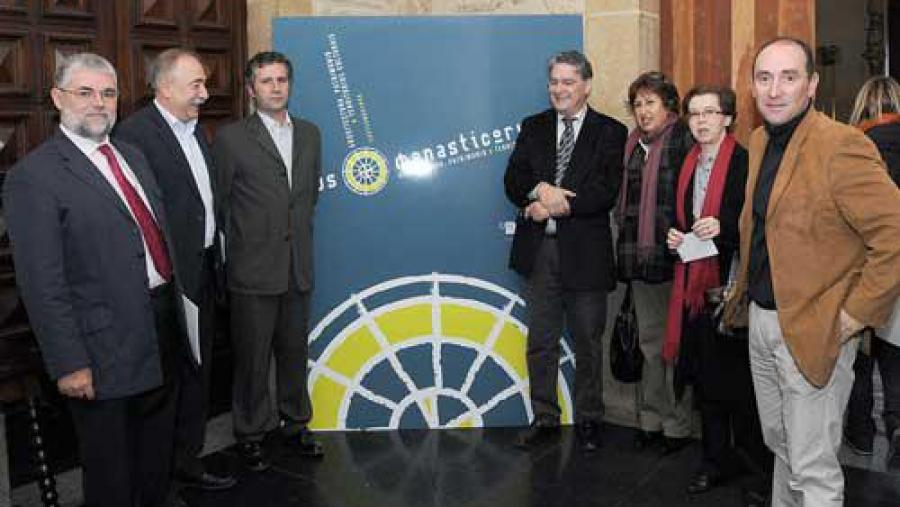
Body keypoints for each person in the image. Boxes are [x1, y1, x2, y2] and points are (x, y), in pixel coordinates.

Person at [724, 37, 900, 507]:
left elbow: (895, 234)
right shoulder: (761, 140)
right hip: (762, 320)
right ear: (752, 87)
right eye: (764, 78)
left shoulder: (843, 145)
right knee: (782, 447)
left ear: (812, 85)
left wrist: (855, 314)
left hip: (817, 325)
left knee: (812, 465)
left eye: (788, 77)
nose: (775, 89)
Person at [4, 53, 185, 507]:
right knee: (111, 474)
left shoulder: (133, 156)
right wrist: (69, 362)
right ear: (57, 98)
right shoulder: (35, 176)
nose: (98, 103)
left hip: (160, 330)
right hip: (100, 351)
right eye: (84, 92)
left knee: (155, 458)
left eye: (107, 93)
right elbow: (42, 282)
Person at [114, 48, 235, 491]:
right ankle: (157, 475)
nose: (205, 93)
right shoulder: (135, 135)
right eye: (196, 85)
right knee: (166, 383)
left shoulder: (196, 132)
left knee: (197, 372)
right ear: (164, 88)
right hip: (166, 281)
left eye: (203, 83)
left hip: (203, 271)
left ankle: (188, 460)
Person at [504, 50, 626, 453]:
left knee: (589, 340)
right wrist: (540, 190)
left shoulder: (611, 131)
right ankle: (544, 417)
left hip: (586, 255)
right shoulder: (533, 126)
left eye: (568, 81)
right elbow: (514, 178)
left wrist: (553, 204)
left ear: (587, 85)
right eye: (554, 81)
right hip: (541, 253)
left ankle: (590, 418)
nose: (559, 89)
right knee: (541, 340)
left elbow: (604, 191)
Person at [212, 51, 323, 471]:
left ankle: (296, 424)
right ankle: (251, 432)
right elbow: (220, 204)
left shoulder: (311, 134)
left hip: (297, 266)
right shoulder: (231, 138)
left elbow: (309, 196)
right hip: (252, 270)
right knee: (253, 358)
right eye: (266, 81)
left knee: (295, 353)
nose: (276, 88)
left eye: (282, 80)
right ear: (250, 88)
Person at [665, 85, 770, 502]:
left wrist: (725, 228)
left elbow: (758, 221)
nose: (702, 121)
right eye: (694, 114)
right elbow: (681, 218)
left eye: (710, 112)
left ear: (728, 118)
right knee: (706, 384)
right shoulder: (687, 160)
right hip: (694, 287)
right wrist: (674, 236)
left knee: (740, 387)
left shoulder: (745, 160)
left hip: (733, 287)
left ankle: (754, 470)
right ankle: (713, 462)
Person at [617, 71, 694, 454]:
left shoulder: (684, 140)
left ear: (669, 106)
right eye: (638, 104)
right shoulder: (633, 144)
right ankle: (650, 420)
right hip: (638, 260)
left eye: (651, 103)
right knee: (649, 345)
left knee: (673, 346)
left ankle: (677, 426)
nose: (643, 111)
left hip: (676, 261)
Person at [843, 75, 900, 469]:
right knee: (895, 356)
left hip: (864, 267)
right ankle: (896, 427)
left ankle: (860, 437)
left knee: (860, 358)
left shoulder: (854, 147)